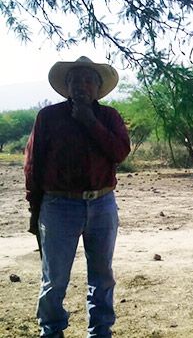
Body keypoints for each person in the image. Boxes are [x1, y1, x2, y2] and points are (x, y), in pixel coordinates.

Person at [24, 56, 130, 338]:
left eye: (88, 80)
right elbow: (33, 164)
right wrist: (35, 210)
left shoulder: (109, 117)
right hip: (58, 206)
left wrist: (89, 121)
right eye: (75, 80)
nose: (82, 86)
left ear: (98, 87)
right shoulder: (48, 117)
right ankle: (52, 331)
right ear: (66, 86)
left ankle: (100, 332)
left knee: (102, 276)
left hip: (102, 203)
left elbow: (120, 152)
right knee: (55, 279)